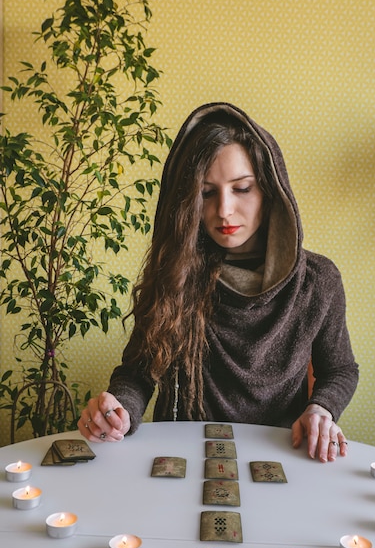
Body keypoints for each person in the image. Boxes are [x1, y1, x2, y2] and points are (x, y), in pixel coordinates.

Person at [78, 102, 359, 463]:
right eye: (207, 193)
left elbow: (339, 369)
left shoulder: (317, 282)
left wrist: (322, 409)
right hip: (186, 456)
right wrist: (119, 410)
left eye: (242, 188)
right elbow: (137, 372)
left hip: (282, 454)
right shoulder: (176, 273)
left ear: (270, 191)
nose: (223, 210)